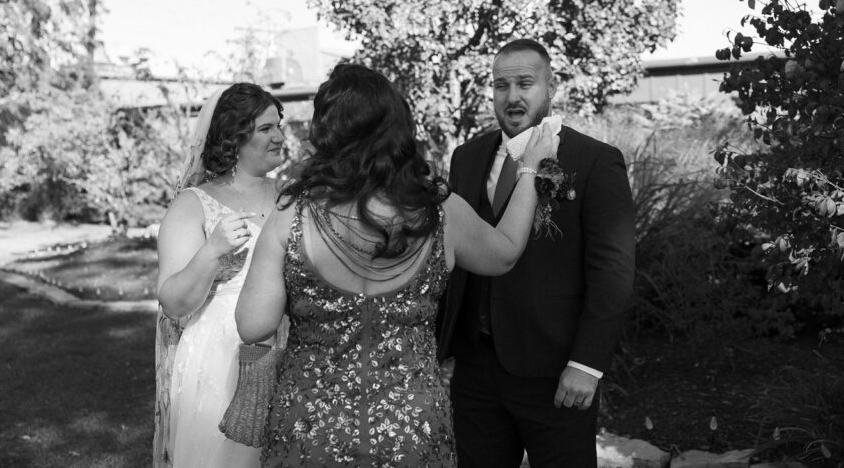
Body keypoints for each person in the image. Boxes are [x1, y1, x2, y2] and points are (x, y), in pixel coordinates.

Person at [235, 63, 557, 467]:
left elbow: (252, 325)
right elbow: (506, 250)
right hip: (410, 431)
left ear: (326, 134)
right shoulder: (442, 214)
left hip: (311, 428)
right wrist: (530, 169)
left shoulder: (292, 215)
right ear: (399, 130)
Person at [437, 39, 636, 468]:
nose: (512, 97)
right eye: (500, 85)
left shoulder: (595, 161)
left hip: (556, 371)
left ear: (550, 85)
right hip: (475, 372)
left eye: (525, 83)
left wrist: (587, 364)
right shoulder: (466, 158)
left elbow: (612, 272)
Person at [152, 82, 287, 468]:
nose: (280, 136)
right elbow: (173, 301)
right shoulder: (192, 204)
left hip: (290, 346)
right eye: (266, 129)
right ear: (234, 137)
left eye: (279, 126)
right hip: (219, 356)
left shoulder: (293, 196)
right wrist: (212, 251)